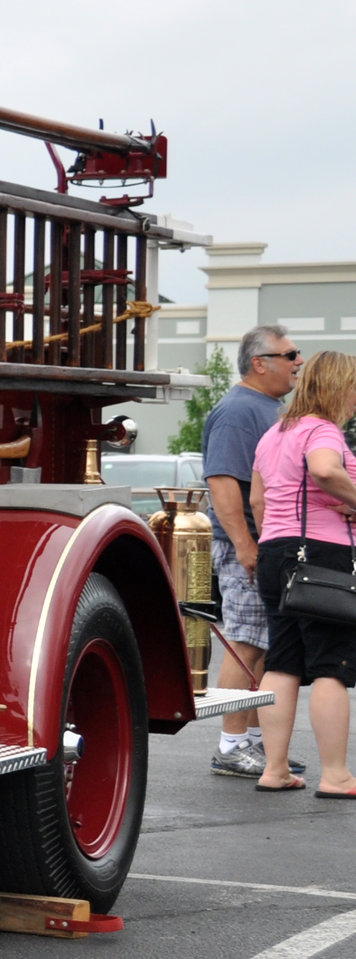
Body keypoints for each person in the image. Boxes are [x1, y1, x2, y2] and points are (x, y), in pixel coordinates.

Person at [247, 349, 356, 795]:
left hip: (274, 551)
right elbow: (326, 469)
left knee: (283, 660)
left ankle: (274, 768)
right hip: (319, 555)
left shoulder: (275, 433)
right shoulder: (322, 430)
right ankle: (336, 774)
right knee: (334, 663)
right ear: (338, 388)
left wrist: (276, 536)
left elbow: (257, 499)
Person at [205, 327, 303, 777]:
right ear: (260, 362)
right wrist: (246, 545)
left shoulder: (263, 407)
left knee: (264, 645)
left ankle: (254, 744)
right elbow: (223, 481)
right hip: (247, 545)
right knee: (246, 643)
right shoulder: (240, 410)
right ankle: (231, 745)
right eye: (289, 355)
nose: (298, 362)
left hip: (263, 545)